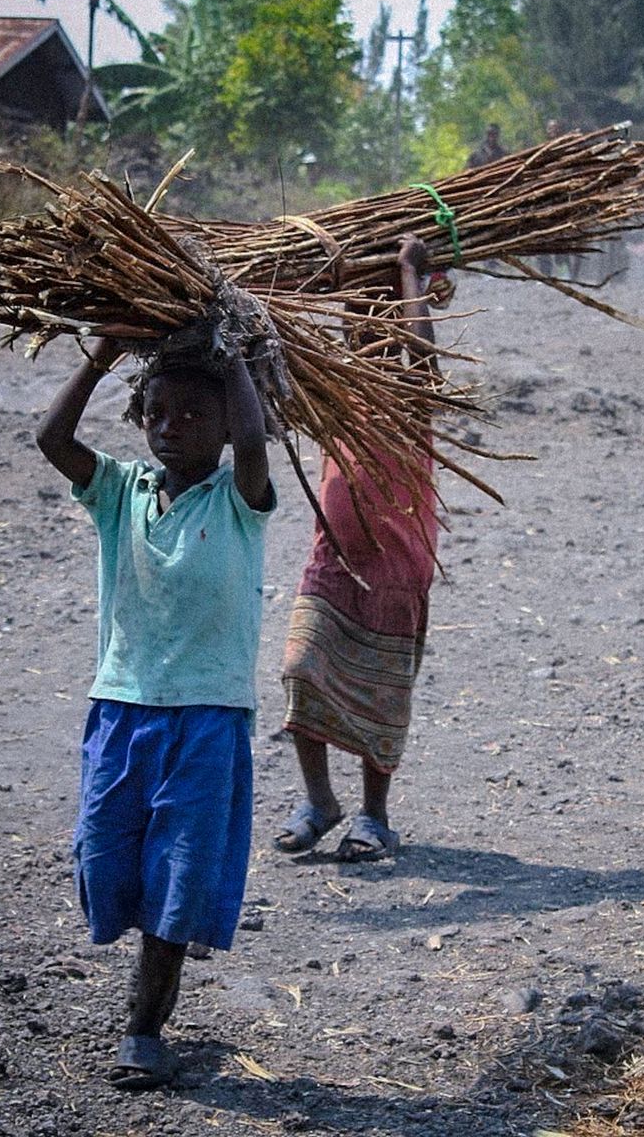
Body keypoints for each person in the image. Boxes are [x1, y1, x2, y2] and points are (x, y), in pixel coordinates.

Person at [35, 331, 275, 1090]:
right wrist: (104, 351)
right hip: (122, 708)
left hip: (207, 718)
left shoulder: (240, 500)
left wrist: (235, 351)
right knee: (103, 860)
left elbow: (254, 439)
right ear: (139, 417)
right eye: (159, 413)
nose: (173, 427)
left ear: (227, 426)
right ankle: (162, 952)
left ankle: (143, 1028)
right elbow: (50, 437)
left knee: (177, 874)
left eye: (193, 416)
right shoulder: (119, 492)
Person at [275, 237, 440, 862]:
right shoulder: (331, 394)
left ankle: (375, 815)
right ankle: (320, 801)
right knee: (301, 670)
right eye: (355, 321)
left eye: (378, 319)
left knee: (382, 695)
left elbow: (423, 355)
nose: (364, 332)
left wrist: (407, 274)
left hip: (397, 568)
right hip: (332, 562)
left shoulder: (412, 393)